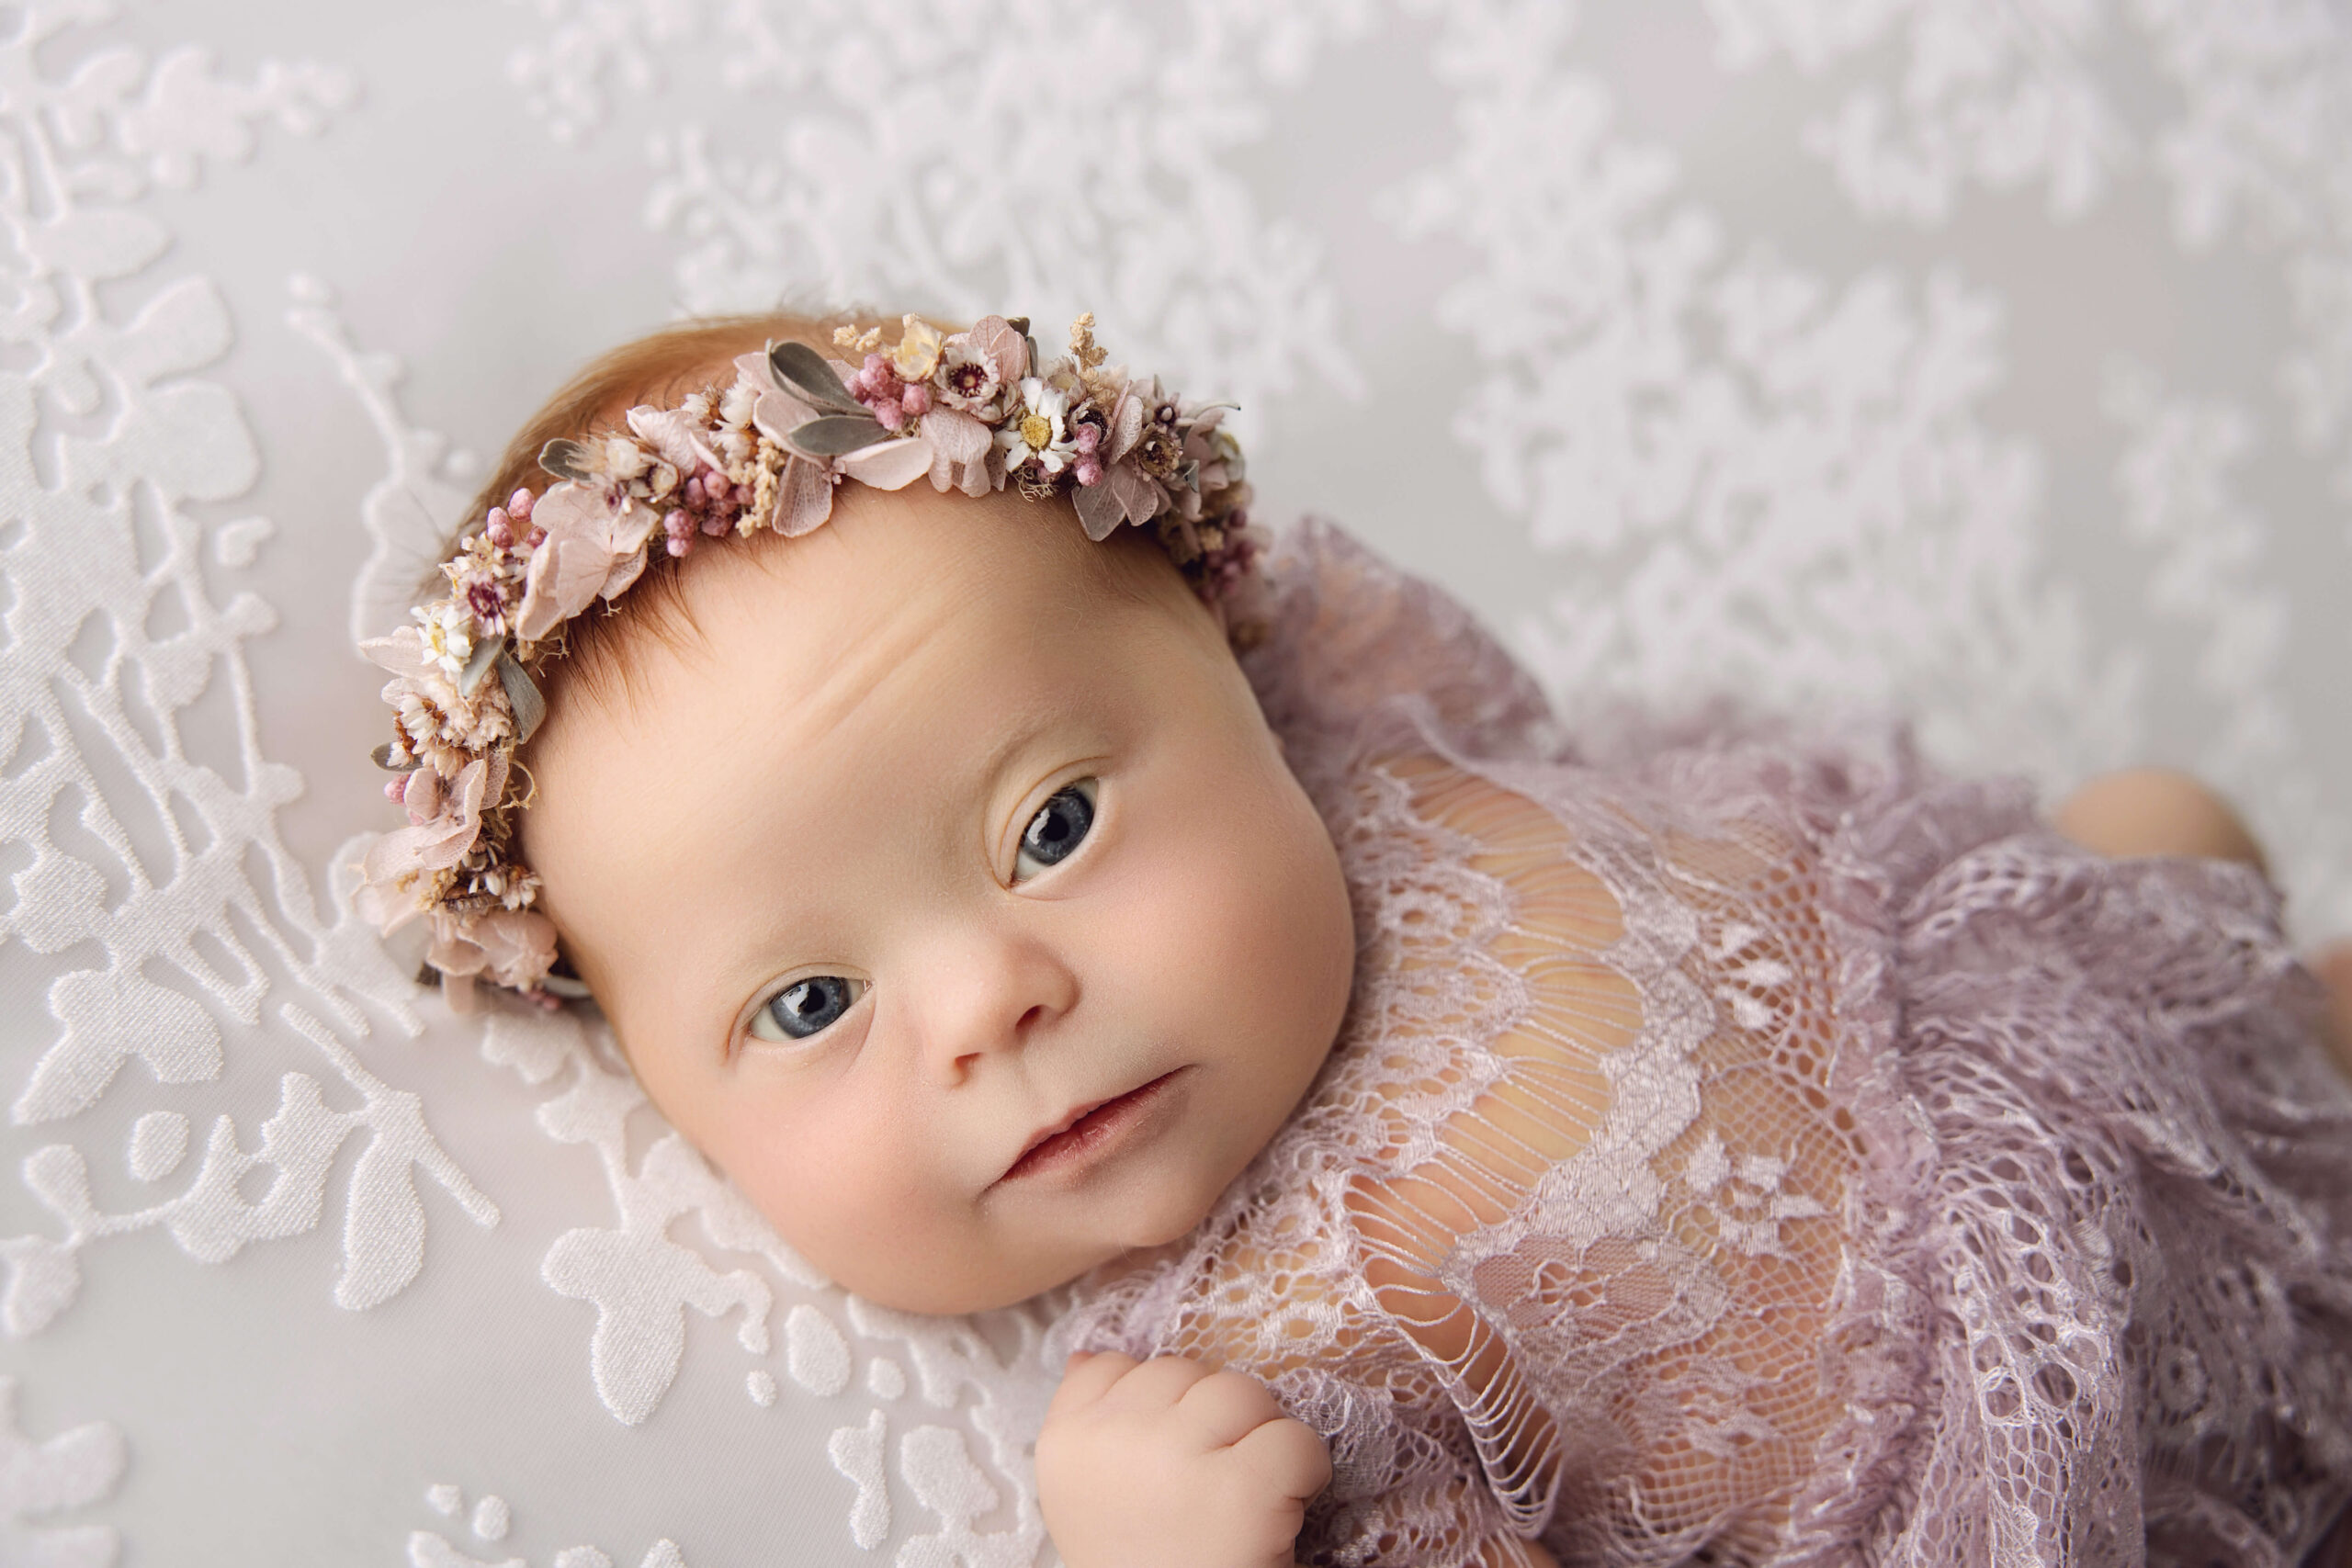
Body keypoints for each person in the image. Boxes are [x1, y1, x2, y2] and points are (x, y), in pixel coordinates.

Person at [356, 310, 2352, 1568]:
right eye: (809, 1003)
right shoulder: (1238, 1393)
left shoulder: (1343, 722)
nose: (989, 1001)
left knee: (2163, 830)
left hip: (2052, 999)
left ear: (1243, 676)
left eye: (1054, 824)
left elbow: (1557, 741)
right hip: (2067, 1460)